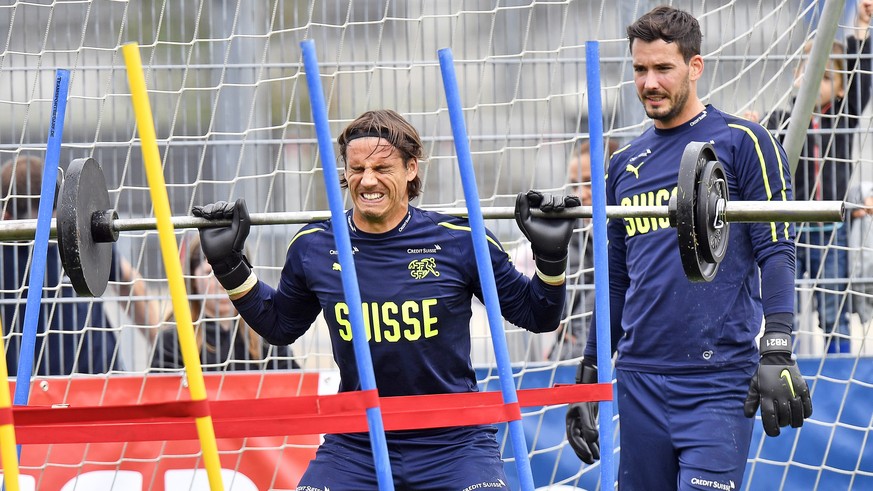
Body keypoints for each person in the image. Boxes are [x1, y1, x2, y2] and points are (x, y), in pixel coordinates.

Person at [191, 109, 580, 490]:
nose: (367, 181)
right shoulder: (316, 245)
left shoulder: (459, 240)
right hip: (357, 442)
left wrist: (551, 259)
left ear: (411, 169)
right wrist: (229, 266)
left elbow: (538, 315)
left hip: (455, 443)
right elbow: (279, 326)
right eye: (357, 169)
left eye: (382, 168)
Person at [565, 7, 812, 490]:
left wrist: (778, 346)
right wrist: (590, 370)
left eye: (663, 68)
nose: (649, 83)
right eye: (640, 69)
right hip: (639, 378)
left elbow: (777, 250)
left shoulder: (744, 142)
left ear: (695, 67)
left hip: (719, 381)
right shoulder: (623, 164)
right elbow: (616, 277)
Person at [744, 0, 872, 354]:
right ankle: (788, 366)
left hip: (832, 232)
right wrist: (750, 124)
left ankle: (839, 366)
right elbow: (757, 140)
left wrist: (861, 23)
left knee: (833, 314)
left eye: (826, 76)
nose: (814, 81)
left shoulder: (843, 118)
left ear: (843, 88)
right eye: (808, 71)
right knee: (789, 313)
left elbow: (863, 69)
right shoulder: (782, 119)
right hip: (793, 231)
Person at [1, 155, 160, 375]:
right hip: (30, 389)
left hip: (100, 378)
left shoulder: (74, 233)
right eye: (40, 227)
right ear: (7, 219)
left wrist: (165, 344)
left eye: (55, 221)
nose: (51, 235)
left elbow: (128, 281)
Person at [150, 233, 298, 371]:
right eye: (210, 273)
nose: (223, 284)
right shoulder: (173, 339)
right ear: (193, 279)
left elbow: (296, 384)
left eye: (233, 274)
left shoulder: (266, 332)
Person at [547, 138, 619, 361]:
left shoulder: (630, 236)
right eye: (574, 185)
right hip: (572, 351)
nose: (580, 194)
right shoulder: (572, 231)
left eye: (588, 183)